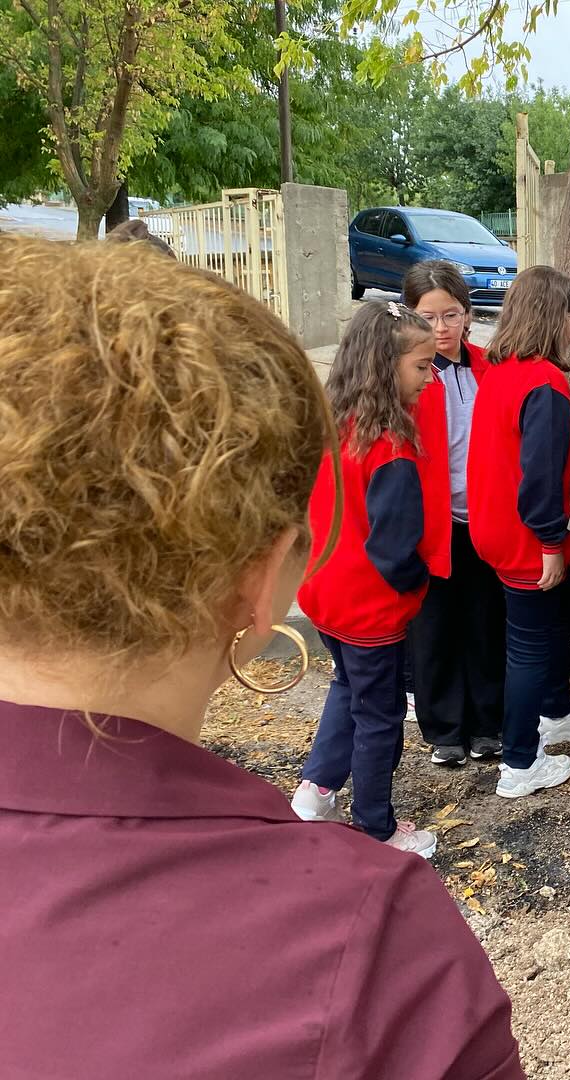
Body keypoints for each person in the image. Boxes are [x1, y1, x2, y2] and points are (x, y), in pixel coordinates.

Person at [0, 237, 522, 1078]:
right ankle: (364, 805)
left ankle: (319, 783)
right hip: (374, 610)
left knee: (354, 698)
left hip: (346, 609)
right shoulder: (375, 943)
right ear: (262, 576)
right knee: (371, 705)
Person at [291, 301, 445, 856]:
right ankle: (375, 825)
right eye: (422, 366)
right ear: (386, 366)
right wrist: (418, 582)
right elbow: (394, 545)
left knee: (346, 687)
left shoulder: (336, 425)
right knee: (379, 717)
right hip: (370, 608)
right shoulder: (391, 447)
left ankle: (316, 789)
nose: (430, 379)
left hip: (324, 593)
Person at [468, 266, 570, 798]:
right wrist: (550, 544)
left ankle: (556, 711)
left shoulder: (501, 371)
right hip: (527, 539)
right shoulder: (545, 385)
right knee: (529, 647)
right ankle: (520, 761)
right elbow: (541, 477)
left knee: (550, 626)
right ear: (551, 317)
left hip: (495, 528)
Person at [403, 261, 508, 767]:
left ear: (468, 315)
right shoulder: (408, 376)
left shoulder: (490, 366)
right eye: (429, 317)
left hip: (484, 515)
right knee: (435, 625)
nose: (442, 328)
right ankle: (444, 727)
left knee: (485, 621)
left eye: (451, 315)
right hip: (433, 521)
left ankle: (489, 722)